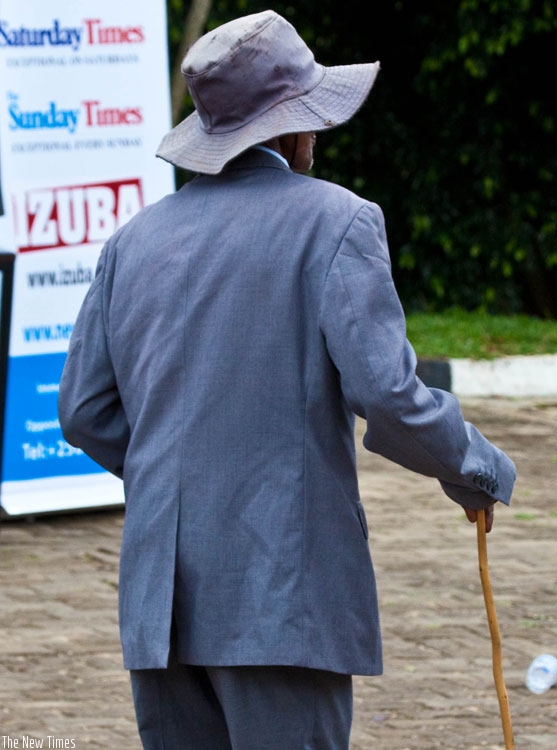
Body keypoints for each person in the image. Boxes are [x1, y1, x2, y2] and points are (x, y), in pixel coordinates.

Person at [58, 10, 515, 750]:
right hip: (280, 597)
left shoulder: (132, 243)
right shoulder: (337, 223)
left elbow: (83, 412)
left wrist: (177, 478)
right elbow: (390, 398)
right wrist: (476, 467)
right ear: (292, 131)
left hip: (158, 606)